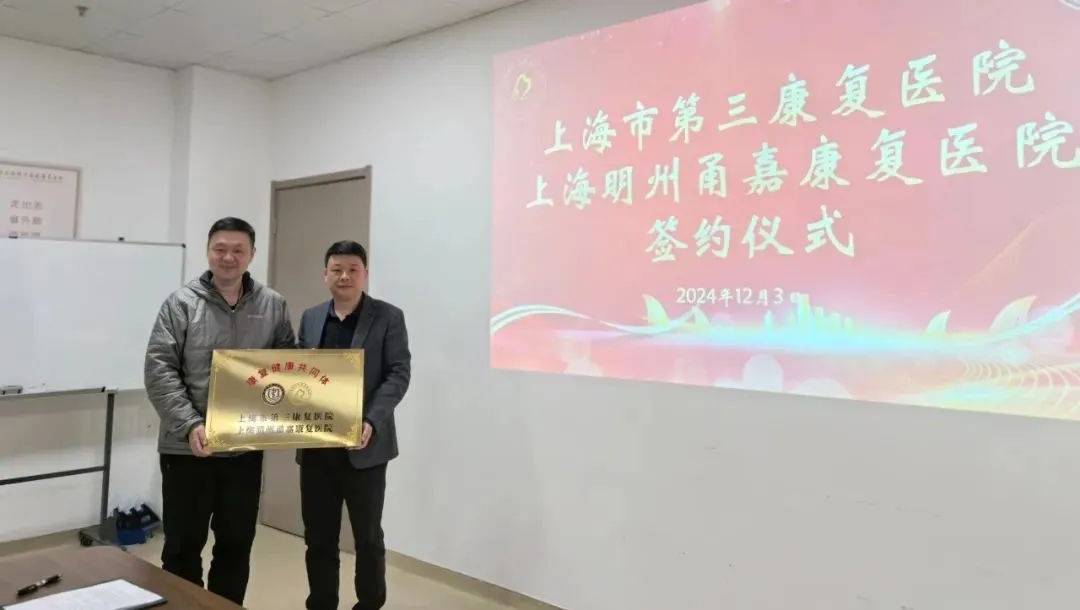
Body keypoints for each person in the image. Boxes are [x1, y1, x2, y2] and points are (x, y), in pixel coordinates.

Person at [144, 217, 296, 605]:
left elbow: (285, 367)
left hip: (244, 451)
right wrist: (190, 424)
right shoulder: (180, 303)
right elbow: (159, 370)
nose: (228, 257)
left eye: (238, 250)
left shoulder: (273, 305)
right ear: (208, 251)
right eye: (220, 249)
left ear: (252, 254)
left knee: (236, 547)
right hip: (187, 450)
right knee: (182, 549)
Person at [295, 240, 411, 610]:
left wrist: (371, 419)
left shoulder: (388, 317)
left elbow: (398, 373)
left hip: (366, 449)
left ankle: (370, 604)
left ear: (365, 274)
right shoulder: (311, 317)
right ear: (325, 274)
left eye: (352, 270)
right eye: (337, 269)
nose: (344, 276)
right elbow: (299, 375)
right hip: (317, 450)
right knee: (318, 538)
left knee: (368, 538)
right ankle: (322, 603)